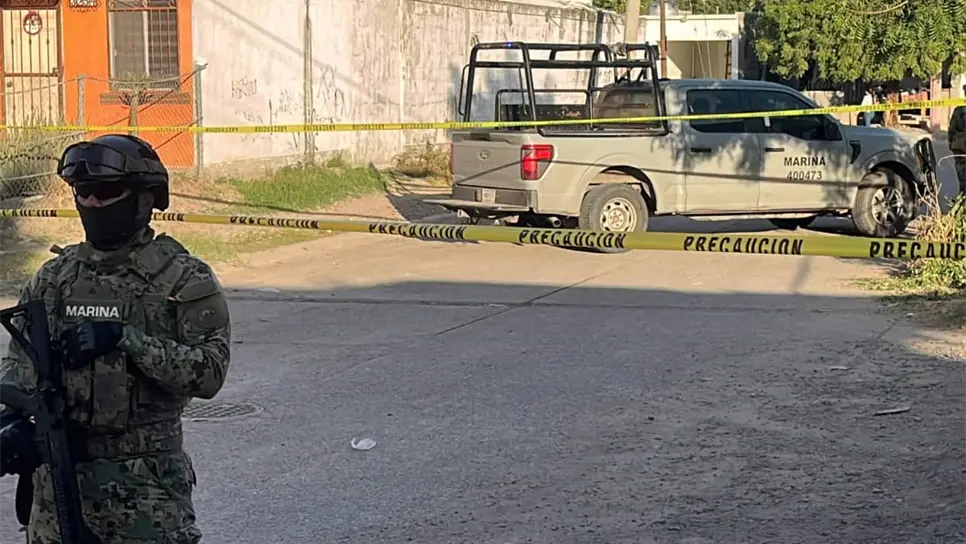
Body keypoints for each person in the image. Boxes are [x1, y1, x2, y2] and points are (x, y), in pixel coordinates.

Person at [0, 134, 232, 543]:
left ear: (144, 200)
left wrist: (126, 340)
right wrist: (16, 427)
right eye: (83, 192)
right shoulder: (53, 280)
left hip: (145, 495)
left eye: (105, 192)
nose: (90, 204)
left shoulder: (182, 278)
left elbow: (209, 374)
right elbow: (18, 374)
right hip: (59, 493)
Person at [948, 85, 966, 195]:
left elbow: (951, 130)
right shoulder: (959, 110)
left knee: (963, 180)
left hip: (960, 148)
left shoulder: (959, 110)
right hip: (960, 148)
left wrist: (952, 145)